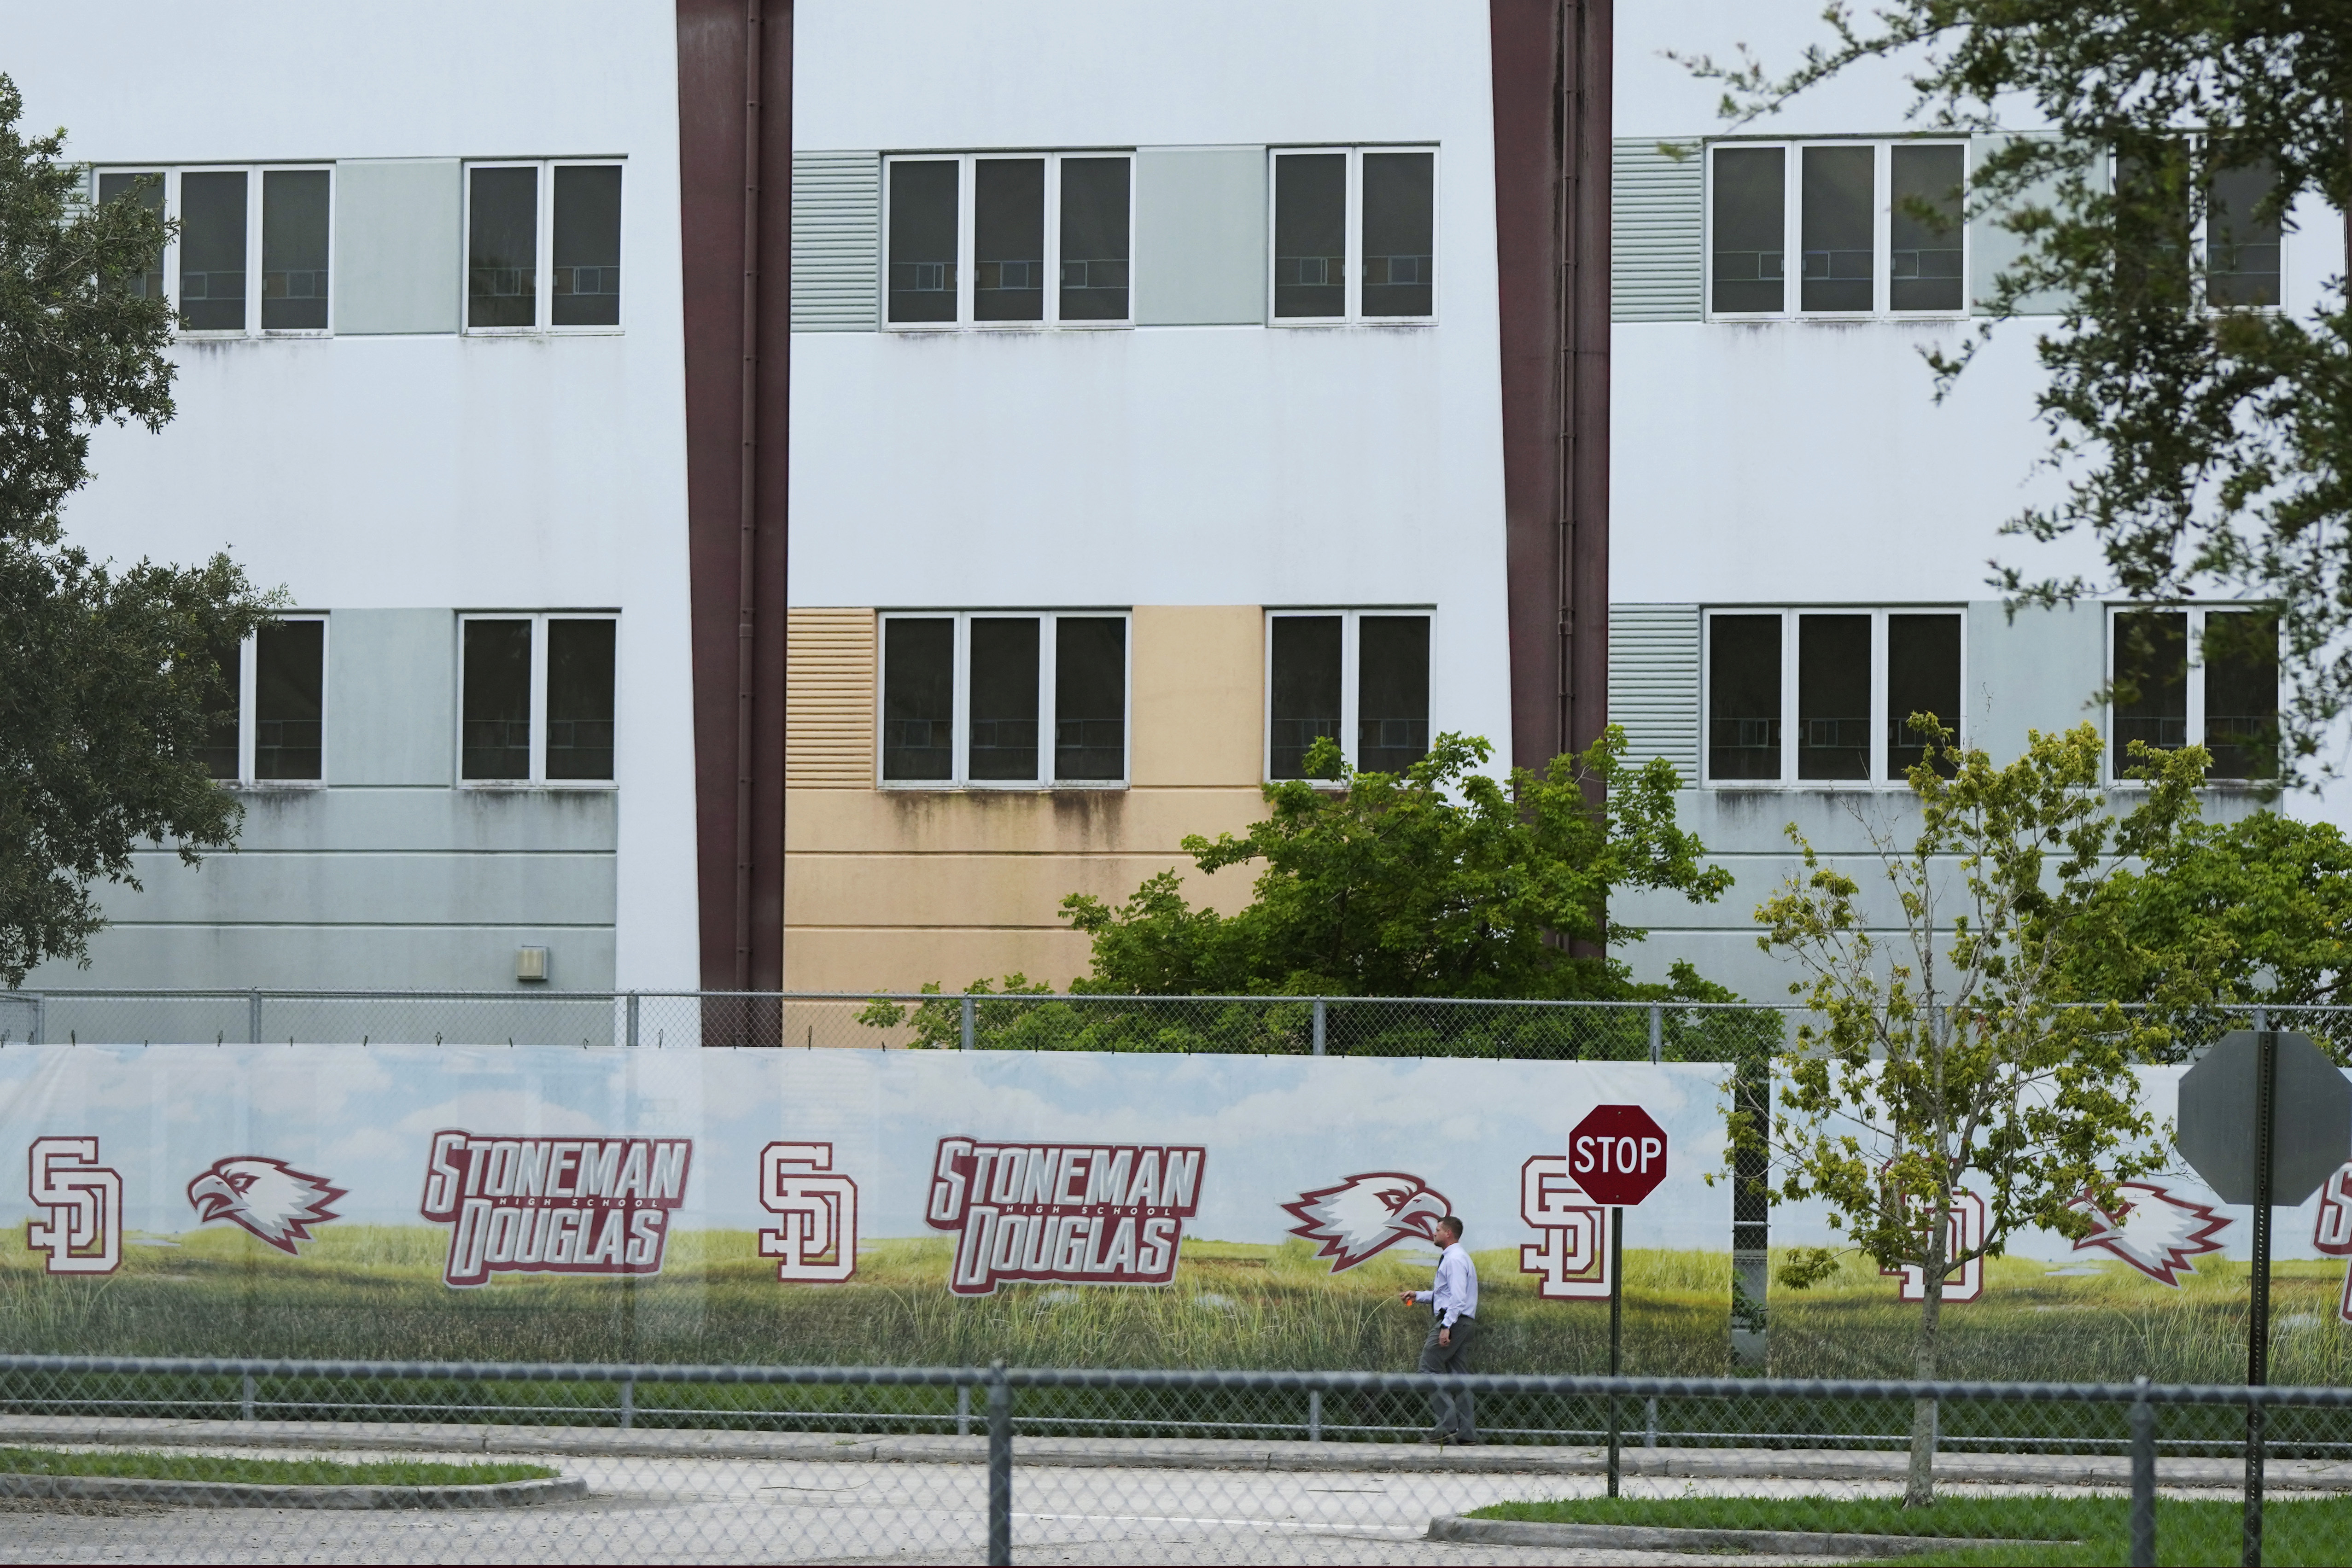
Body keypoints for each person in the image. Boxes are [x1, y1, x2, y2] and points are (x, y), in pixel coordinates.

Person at [1399, 1213, 1477, 1445]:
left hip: (1454, 1320)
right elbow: (1445, 1295)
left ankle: (1447, 1425)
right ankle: (1467, 1434)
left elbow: (1458, 1297)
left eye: (1437, 1230)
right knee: (1460, 1378)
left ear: (1448, 1233)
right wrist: (1418, 1296)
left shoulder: (1454, 1259)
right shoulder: (1457, 1257)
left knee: (1428, 1368)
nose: (1434, 1233)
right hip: (1461, 1321)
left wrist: (1446, 1326)